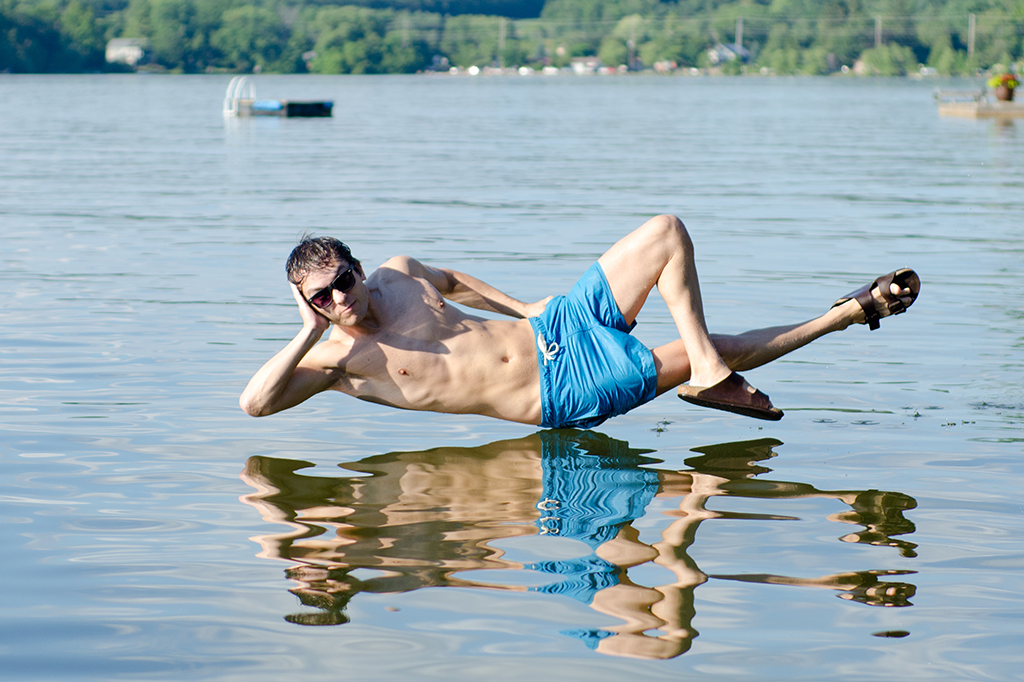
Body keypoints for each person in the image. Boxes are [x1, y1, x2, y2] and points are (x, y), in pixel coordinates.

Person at [239, 215, 919, 428]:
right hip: (565, 391)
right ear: (307, 303)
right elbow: (254, 406)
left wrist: (523, 305)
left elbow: (452, 281)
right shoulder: (337, 364)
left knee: (665, 233)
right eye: (320, 298)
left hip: (555, 325)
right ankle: (845, 315)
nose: (339, 301)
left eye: (341, 282)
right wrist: (307, 334)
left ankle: (711, 374)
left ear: (357, 268)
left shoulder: (399, 271)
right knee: (714, 346)